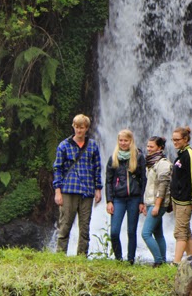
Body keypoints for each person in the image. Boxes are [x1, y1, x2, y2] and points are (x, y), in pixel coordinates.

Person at [53, 113, 103, 257]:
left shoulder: (92, 145)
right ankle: (60, 256)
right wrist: (58, 191)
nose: (79, 130)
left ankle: (82, 256)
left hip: (87, 191)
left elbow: (97, 168)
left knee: (85, 226)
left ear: (86, 128)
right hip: (68, 190)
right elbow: (57, 168)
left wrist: (98, 188)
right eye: (76, 127)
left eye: (81, 128)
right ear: (73, 127)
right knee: (65, 224)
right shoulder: (64, 145)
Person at [105, 129, 146, 264]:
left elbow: (143, 180)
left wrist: (141, 201)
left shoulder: (138, 157)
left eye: (126, 140)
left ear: (131, 141)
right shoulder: (113, 158)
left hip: (134, 198)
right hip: (118, 198)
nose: (123, 143)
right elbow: (109, 181)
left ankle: (130, 260)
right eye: (121, 140)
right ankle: (118, 258)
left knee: (131, 231)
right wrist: (109, 201)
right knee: (114, 231)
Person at [170, 126, 192, 263]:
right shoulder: (181, 154)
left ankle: (176, 263)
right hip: (177, 199)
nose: (174, 142)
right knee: (186, 230)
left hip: (185, 200)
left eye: (177, 139)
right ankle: (190, 258)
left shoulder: (189, 154)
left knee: (180, 232)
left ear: (185, 139)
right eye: (173, 140)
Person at [141, 136, 172, 267]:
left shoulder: (163, 164)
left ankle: (158, 261)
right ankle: (163, 260)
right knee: (158, 233)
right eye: (147, 146)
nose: (148, 149)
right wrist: (145, 204)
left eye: (151, 146)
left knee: (145, 233)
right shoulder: (151, 163)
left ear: (160, 148)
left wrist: (157, 206)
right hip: (151, 202)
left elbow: (162, 186)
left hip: (157, 203)